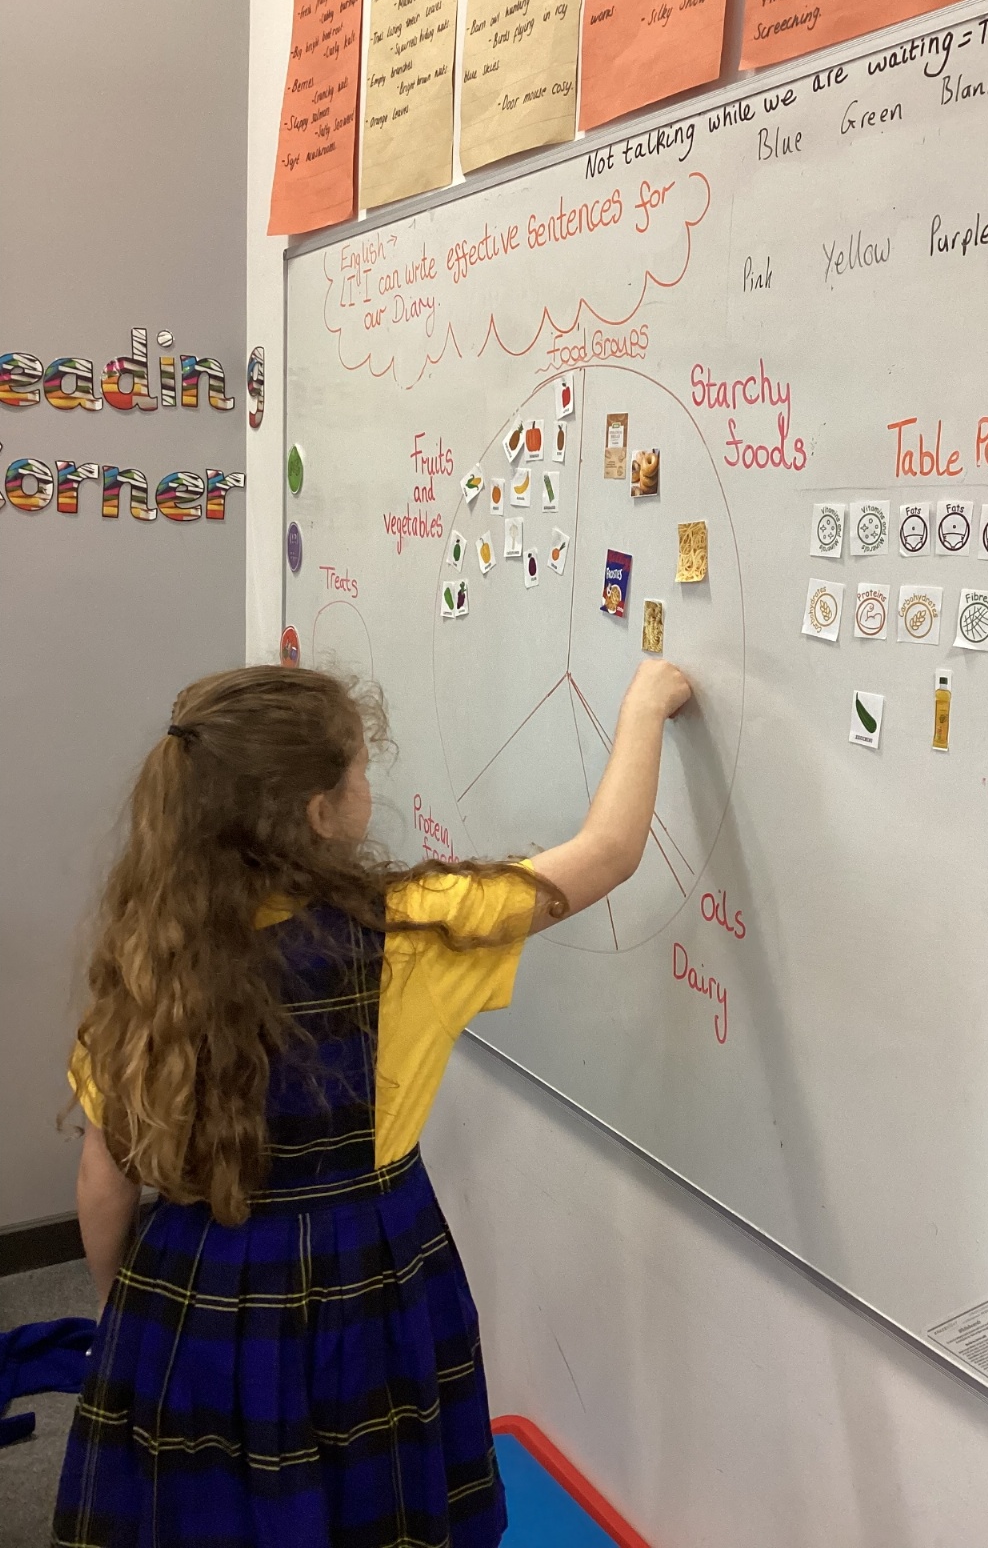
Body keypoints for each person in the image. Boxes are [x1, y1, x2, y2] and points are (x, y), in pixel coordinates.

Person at [54, 657, 691, 1548]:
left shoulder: (149, 951)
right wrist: (648, 701)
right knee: (377, 1504)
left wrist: (125, 1309)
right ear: (321, 813)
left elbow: (105, 1176)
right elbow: (609, 853)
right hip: (367, 1286)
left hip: (193, 1286)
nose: (368, 785)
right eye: (360, 768)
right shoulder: (412, 930)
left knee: (212, 1508)